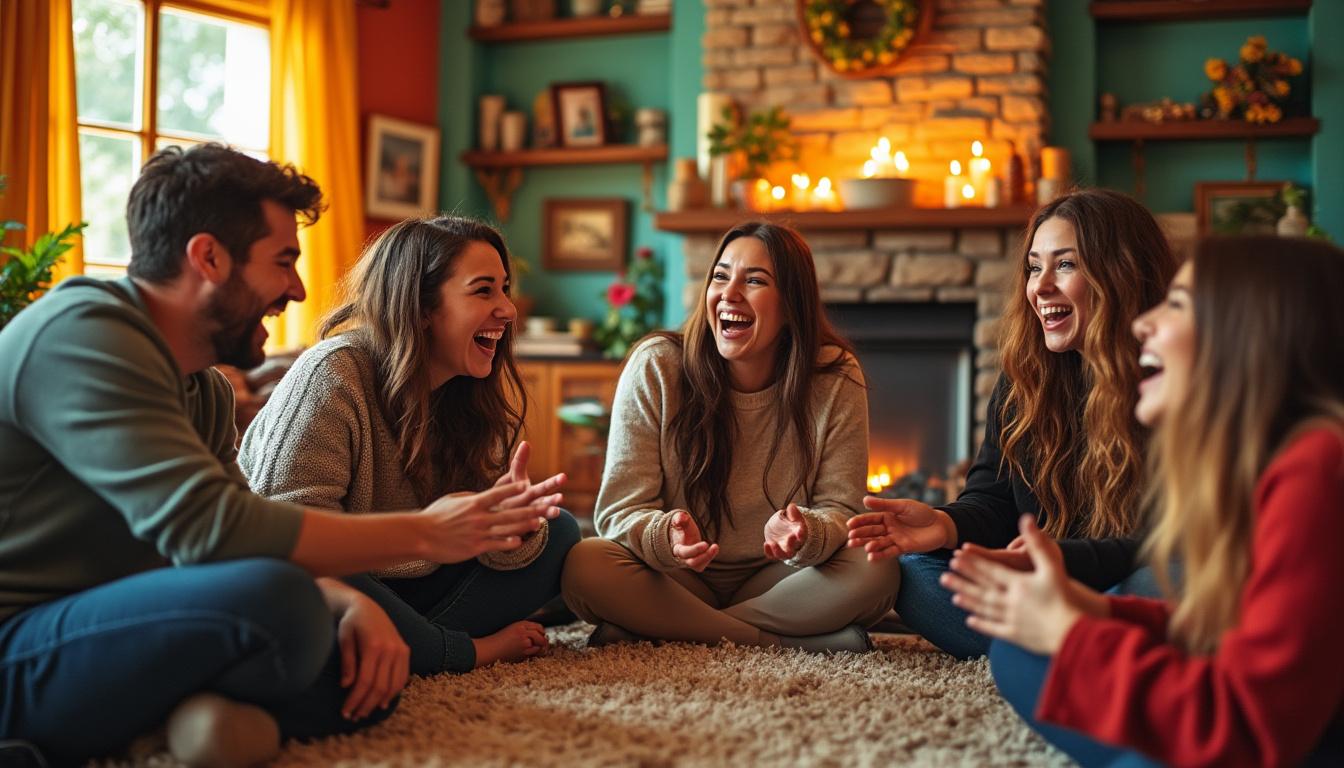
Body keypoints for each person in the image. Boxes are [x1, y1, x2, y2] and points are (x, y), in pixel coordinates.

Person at [0, 145, 561, 767]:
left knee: (368, 666)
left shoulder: (204, 388)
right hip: (19, 638)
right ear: (208, 257)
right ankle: (161, 718)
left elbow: (240, 535)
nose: (296, 289)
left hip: (129, 622)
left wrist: (351, 603)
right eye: (283, 261)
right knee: (281, 606)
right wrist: (427, 535)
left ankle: (178, 716)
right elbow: (213, 530)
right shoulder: (81, 334)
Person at [945, 236, 1344, 767]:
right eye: (1032, 266)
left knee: (1035, 650)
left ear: (1249, 334)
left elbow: (1247, 726)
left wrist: (1070, 630)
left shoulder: (1317, 469)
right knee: (1012, 646)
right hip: (1205, 652)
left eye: (1177, 305)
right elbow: (1233, 626)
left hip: (1285, 737)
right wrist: (1095, 610)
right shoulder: (1276, 462)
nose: (1143, 325)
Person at [239, 215, 581, 677]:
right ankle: (458, 651)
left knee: (560, 531)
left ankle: (406, 646)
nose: (508, 309)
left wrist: (511, 526)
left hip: (418, 585)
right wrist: (428, 535)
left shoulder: (470, 391)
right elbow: (290, 536)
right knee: (318, 571)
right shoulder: (333, 374)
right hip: (334, 580)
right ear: (420, 307)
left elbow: (483, 547)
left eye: (504, 288)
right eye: (484, 291)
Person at [847, 189, 1179, 659]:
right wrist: (943, 524)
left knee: (1168, 578)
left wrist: (1058, 562)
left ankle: (1049, 643)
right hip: (1045, 586)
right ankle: (1064, 644)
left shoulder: (1169, 381)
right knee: (913, 569)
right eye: (1034, 267)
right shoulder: (1025, 377)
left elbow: (1167, 540)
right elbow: (995, 500)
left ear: (1122, 274)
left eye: (1065, 265)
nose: (1040, 287)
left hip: (1123, 582)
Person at [562, 221, 900, 652]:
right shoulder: (657, 366)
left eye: (755, 280)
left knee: (879, 564)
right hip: (677, 577)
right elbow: (620, 513)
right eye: (721, 276)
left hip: (781, 577)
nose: (729, 294)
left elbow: (842, 509)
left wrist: (806, 531)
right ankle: (781, 640)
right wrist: (665, 536)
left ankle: (660, 628)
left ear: (792, 304)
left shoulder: (834, 376)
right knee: (584, 564)